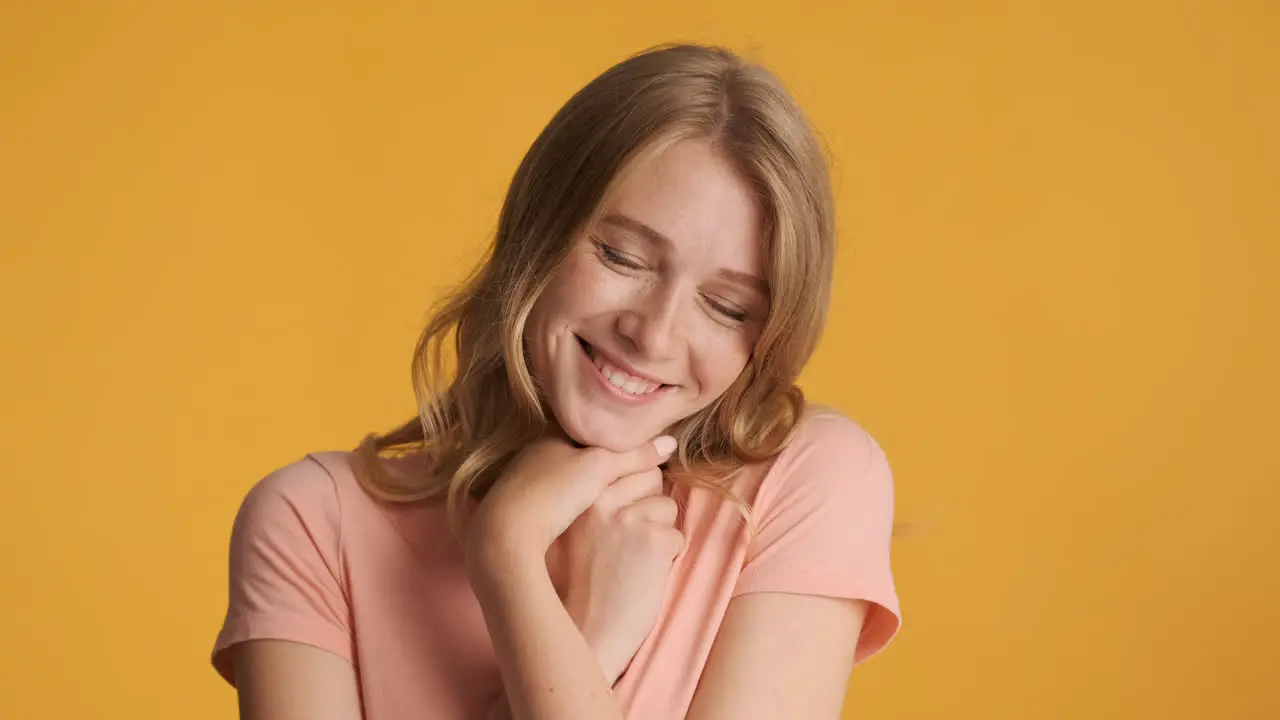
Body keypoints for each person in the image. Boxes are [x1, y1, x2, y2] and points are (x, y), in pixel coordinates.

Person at [211, 42, 901, 719]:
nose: (655, 334)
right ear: (538, 231)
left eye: (727, 307)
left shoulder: (804, 487)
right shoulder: (312, 525)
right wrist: (576, 630)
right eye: (622, 256)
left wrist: (508, 560)